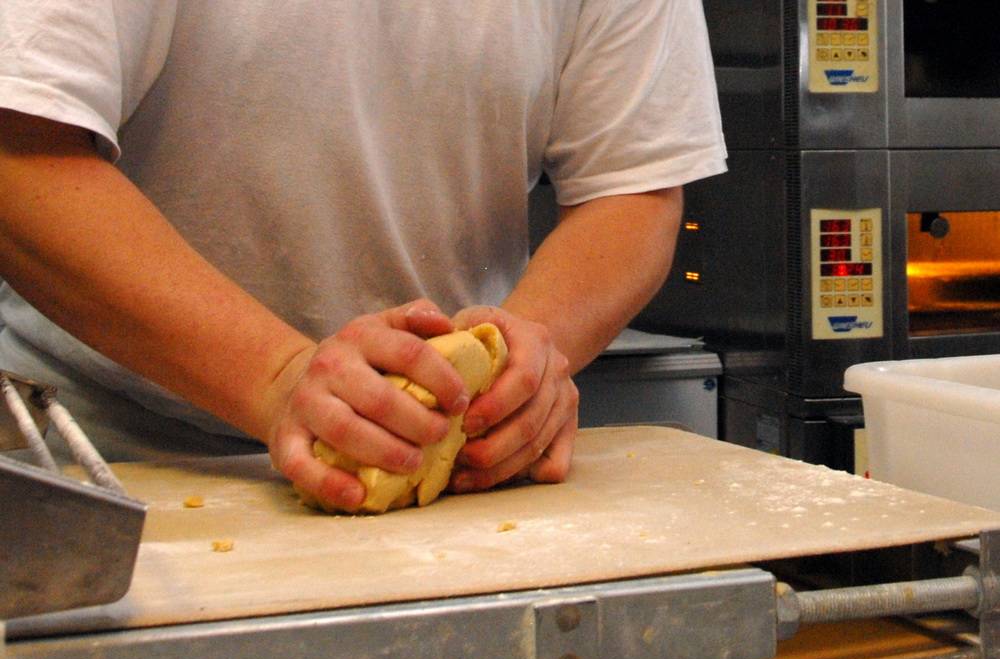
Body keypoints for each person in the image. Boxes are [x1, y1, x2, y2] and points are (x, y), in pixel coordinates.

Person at [0, 1, 726, 512]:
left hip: (440, 475)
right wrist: (278, 377)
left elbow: (632, 192)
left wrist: (514, 369)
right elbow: (20, 161)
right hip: (106, 469)